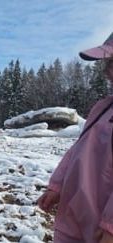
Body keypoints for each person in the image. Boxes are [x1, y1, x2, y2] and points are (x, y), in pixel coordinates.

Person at [37, 32, 113, 243]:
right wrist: (57, 186)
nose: (107, 72)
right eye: (107, 64)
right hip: (76, 218)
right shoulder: (103, 107)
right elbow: (79, 150)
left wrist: (110, 227)